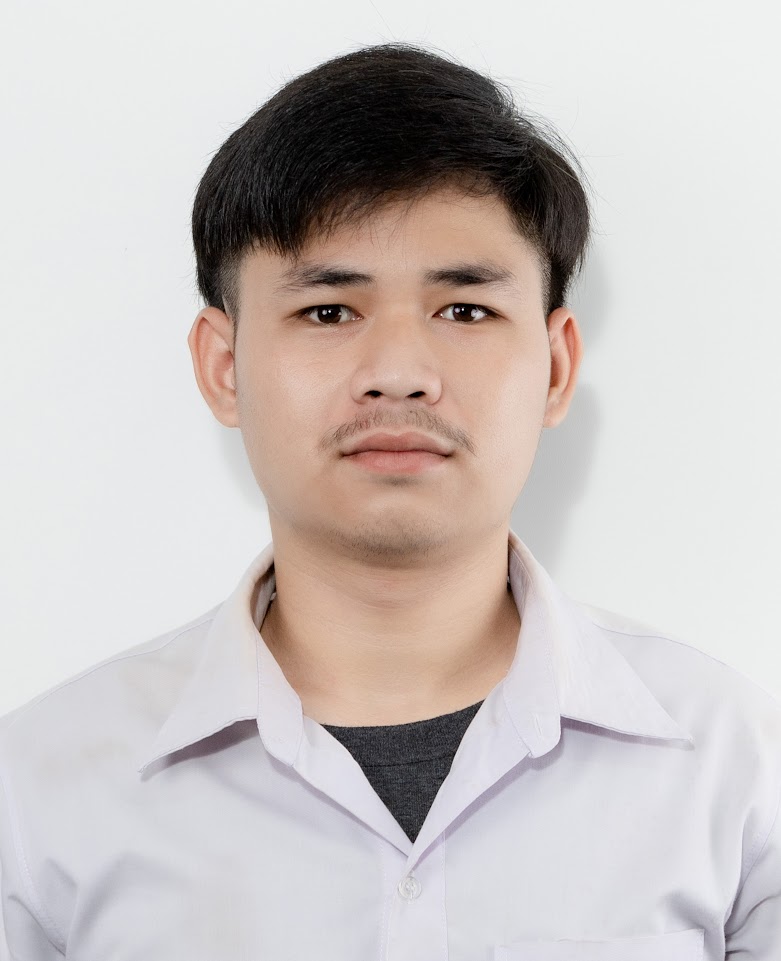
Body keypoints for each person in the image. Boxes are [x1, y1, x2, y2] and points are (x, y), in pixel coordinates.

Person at [1, 41, 778, 961]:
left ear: (556, 366)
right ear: (223, 366)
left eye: (465, 310)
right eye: (328, 311)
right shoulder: (39, 795)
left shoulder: (732, 764)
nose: (400, 374)